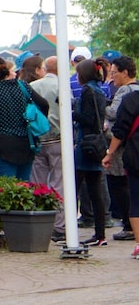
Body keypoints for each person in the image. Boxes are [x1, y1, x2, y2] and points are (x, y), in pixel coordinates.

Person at [0, 56, 49, 180]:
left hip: (2, 147)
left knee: (6, 190)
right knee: (24, 188)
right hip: (26, 143)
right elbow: (44, 104)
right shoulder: (22, 86)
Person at [29, 55, 65, 242]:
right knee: (59, 183)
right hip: (59, 139)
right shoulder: (63, 86)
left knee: (37, 183)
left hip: (37, 139)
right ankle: (59, 226)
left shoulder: (33, 87)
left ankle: (38, 218)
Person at [73, 59, 108, 246]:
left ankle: (66, 228)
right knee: (95, 191)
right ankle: (100, 233)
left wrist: (71, 111)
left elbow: (87, 117)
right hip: (96, 144)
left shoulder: (87, 91)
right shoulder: (100, 90)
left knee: (75, 187)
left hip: (85, 143)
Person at [105, 56, 139, 241]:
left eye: (114, 73)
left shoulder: (127, 94)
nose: (111, 77)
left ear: (125, 73)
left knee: (134, 196)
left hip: (133, 152)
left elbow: (120, 126)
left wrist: (109, 153)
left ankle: (135, 237)